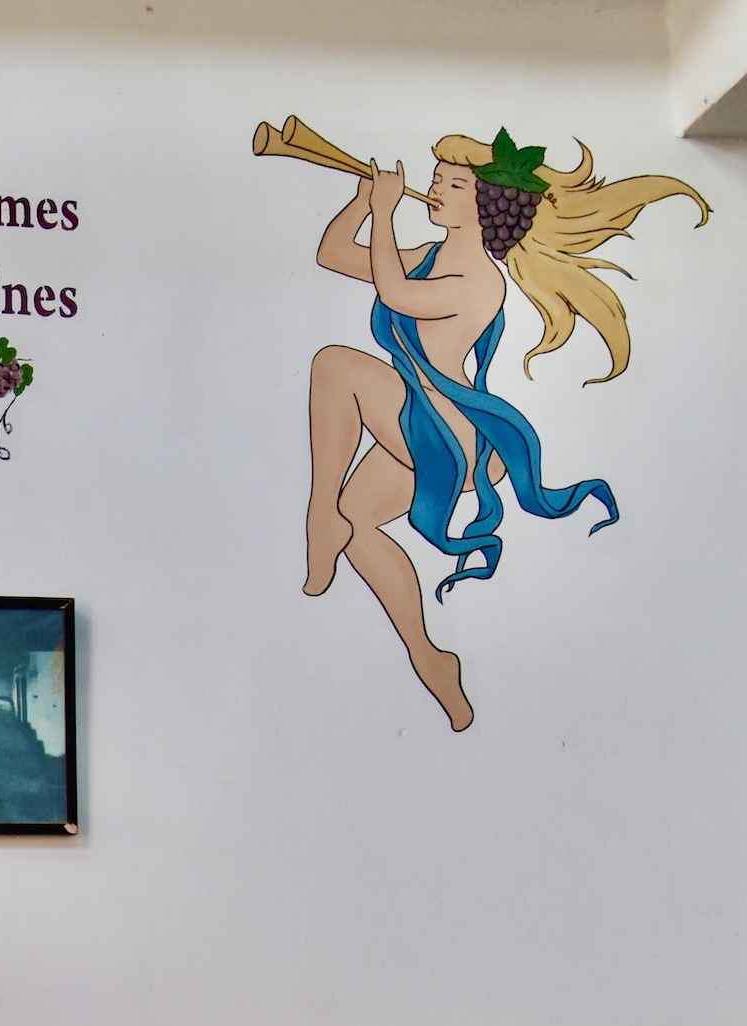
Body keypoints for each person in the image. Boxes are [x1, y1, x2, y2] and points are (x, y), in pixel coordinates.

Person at [300, 132, 705, 731]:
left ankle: (318, 513)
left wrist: (384, 215)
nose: (435, 184)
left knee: (335, 366)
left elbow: (396, 293)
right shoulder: (428, 254)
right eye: (437, 175)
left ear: (486, 206)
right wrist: (363, 204)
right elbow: (333, 255)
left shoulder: (479, 280)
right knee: (361, 525)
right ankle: (429, 656)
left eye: (453, 182)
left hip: (443, 428)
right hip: (420, 425)